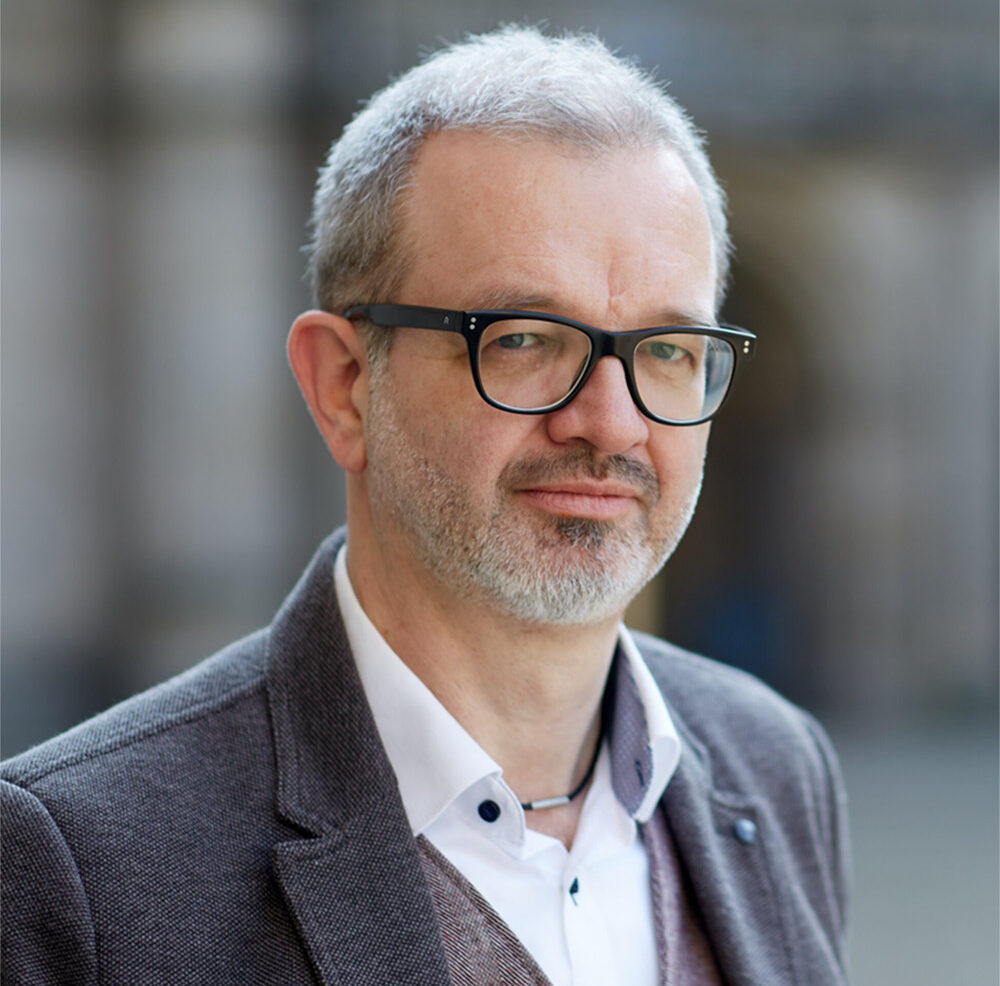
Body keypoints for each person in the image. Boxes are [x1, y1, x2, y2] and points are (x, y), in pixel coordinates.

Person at [2, 26, 850, 986]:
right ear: (344, 386)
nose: (610, 424)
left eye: (666, 349)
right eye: (525, 338)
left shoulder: (777, 769)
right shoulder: (77, 872)